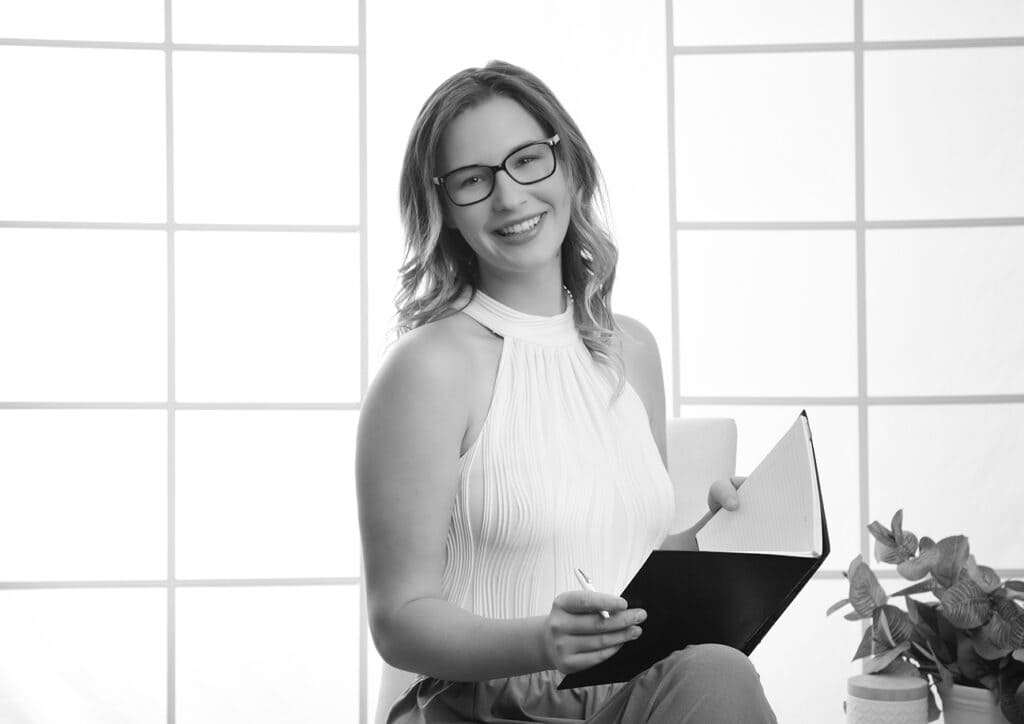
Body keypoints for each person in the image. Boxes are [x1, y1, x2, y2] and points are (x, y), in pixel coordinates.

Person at [355, 60, 777, 723]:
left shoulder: (630, 349)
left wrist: (728, 536)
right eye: (473, 180)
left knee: (719, 674)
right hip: (488, 703)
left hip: (634, 686)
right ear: (444, 209)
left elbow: (624, 568)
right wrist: (542, 640)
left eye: (527, 160)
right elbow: (398, 620)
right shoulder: (428, 368)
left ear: (568, 166)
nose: (510, 197)